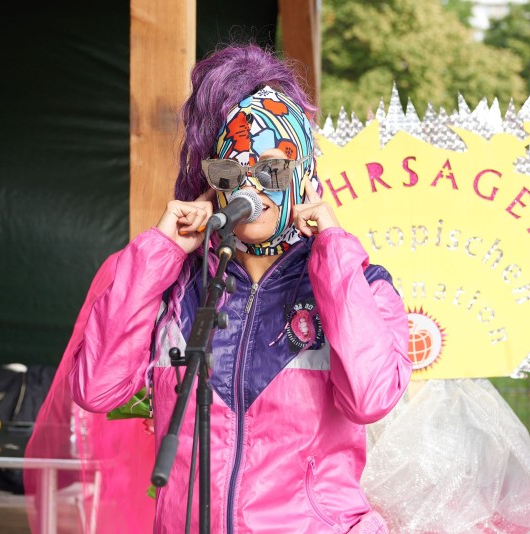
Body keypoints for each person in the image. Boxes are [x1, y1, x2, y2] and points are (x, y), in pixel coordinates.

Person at [68, 43, 412, 533]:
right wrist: (159, 253)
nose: (251, 186)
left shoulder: (360, 284)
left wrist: (333, 252)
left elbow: (370, 398)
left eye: (272, 169)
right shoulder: (177, 288)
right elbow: (96, 389)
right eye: (231, 169)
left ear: (305, 174)